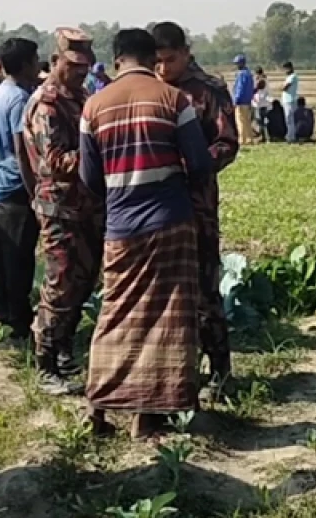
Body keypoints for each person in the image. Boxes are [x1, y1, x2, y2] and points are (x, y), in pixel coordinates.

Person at [81, 28, 213, 439]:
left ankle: (100, 404)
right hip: (170, 221)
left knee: (117, 314)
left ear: (117, 58)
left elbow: (89, 178)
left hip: (121, 227)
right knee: (168, 319)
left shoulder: (93, 107)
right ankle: (150, 414)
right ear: (152, 57)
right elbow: (200, 165)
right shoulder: (174, 100)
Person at [153, 21, 239, 388]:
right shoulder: (149, 89)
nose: (163, 69)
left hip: (196, 203)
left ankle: (219, 369)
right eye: (156, 61)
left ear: (186, 52)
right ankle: (172, 372)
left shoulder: (208, 91)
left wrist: (194, 163)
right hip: (155, 205)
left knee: (205, 287)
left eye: (170, 60)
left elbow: (227, 142)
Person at [22, 29, 101, 395]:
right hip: (59, 210)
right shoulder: (48, 104)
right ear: (57, 61)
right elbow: (53, 160)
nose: (80, 72)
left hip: (84, 208)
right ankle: (45, 362)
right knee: (60, 285)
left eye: (85, 66)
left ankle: (66, 349)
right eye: (73, 66)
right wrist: (101, 155)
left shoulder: (80, 97)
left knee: (82, 282)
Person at [0, 37, 42, 339]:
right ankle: (19, 323)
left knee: (3, 256)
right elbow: (22, 148)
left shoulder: (2, 92)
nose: (38, 66)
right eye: (35, 60)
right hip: (14, 186)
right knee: (19, 258)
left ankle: (4, 313)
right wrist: (33, 189)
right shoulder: (21, 98)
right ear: (25, 65)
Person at [232, 54, 255, 146]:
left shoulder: (241, 74)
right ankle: (250, 139)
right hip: (248, 100)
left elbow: (240, 88)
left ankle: (242, 139)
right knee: (247, 121)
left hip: (241, 101)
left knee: (240, 121)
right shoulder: (249, 73)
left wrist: (236, 100)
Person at [281, 61, 299, 143]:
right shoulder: (288, 77)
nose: (285, 71)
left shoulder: (292, 77)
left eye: (285, 69)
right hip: (286, 100)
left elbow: (285, 87)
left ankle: (291, 137)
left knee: (290, 119)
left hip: (290, 100)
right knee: (288, 119)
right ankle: (289, 135)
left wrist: (281, 87)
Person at [252, 67, 270, 142]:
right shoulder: (263, 79)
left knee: (260, 121)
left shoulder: (261, 80)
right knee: (260, 121)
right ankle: (262, 136)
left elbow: (256, 89)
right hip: (262, 102)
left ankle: (262, 137)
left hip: (260, 103)